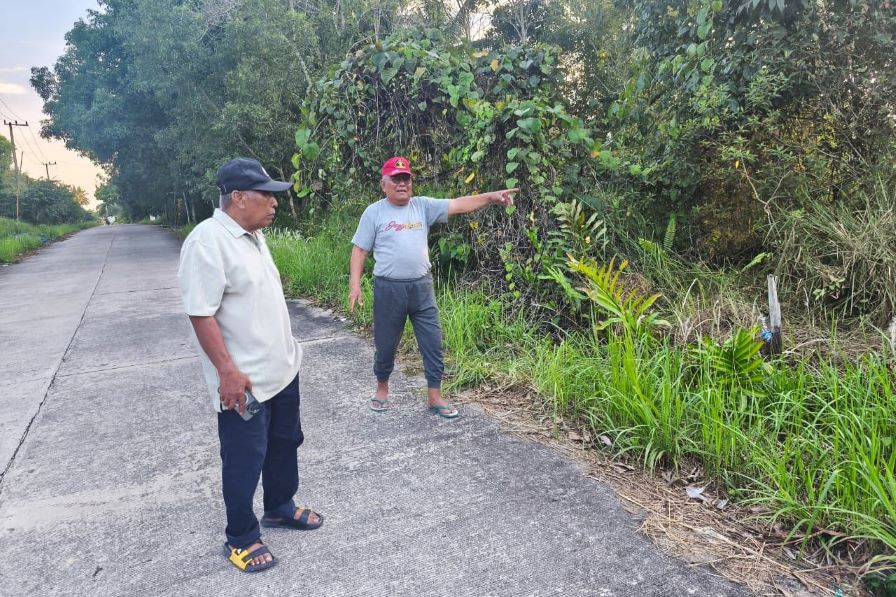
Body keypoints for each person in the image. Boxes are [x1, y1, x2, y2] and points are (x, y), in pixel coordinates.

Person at [178, 157, 323, 574]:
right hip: (244, 382)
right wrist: (227, 372)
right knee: (244, 458)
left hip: (282, 370)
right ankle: (241, 536)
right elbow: (201, 314)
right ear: (238, 197)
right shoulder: (207, 241)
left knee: (285, 443)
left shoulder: (252, 235)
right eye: (266, 195)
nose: (274, 203)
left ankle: (279, 506)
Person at [348, 156, 517, 419]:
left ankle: (435, 396)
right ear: (384, 184)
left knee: (433, 342)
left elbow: (459, 205)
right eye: (396, 179)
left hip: (421, 288)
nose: (402, 184)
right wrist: (355, 285)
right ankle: (382, 388)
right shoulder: (374, 213)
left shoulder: (423, 206)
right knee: (385, 344)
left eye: (406, 179)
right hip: (388, 289)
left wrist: (491, 197)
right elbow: (360, 250)